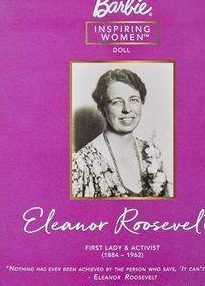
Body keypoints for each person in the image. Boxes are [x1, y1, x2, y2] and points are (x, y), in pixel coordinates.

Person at [72, 69, 169, 198]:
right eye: (117, 102)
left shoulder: (152, 152)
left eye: (133, 100)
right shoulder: (82, 163)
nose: (127, 109)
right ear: (102, 108)